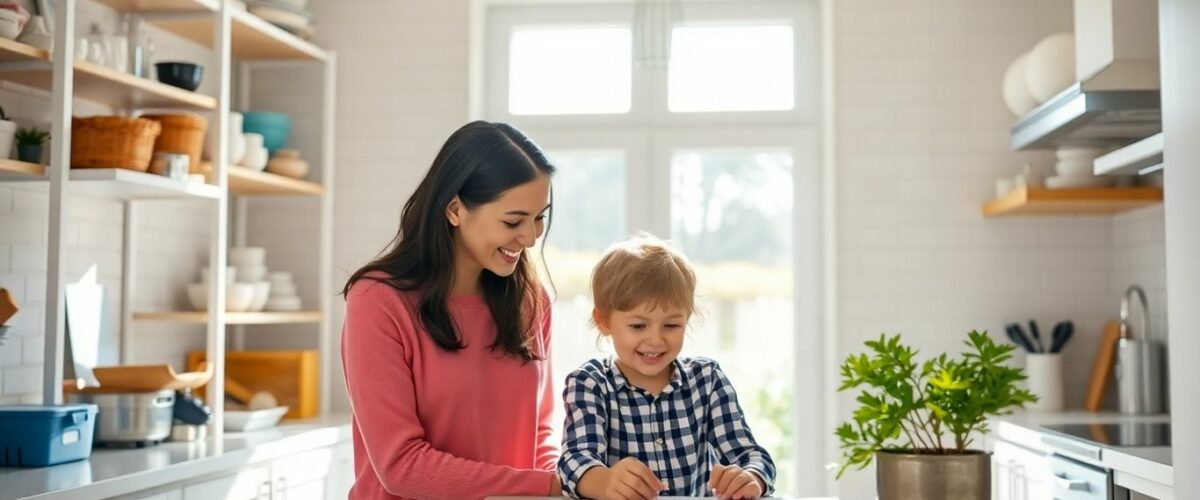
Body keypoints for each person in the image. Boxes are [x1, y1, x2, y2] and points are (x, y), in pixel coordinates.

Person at [341, 121, 560, 499]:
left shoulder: (531, 300)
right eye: (514, 221)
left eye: (539, 217)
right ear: (456, 209)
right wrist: (554, 486)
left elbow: (539, 434)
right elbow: (401, 466)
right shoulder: (378, 302)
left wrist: (566, 480)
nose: (530, 237)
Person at [558, 234, 776, 500]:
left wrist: (750, 477)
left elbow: (751, 455)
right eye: (638, 326)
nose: (655, 340)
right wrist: (604, 482)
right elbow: (574, 460)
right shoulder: (589, 383)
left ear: (688, 319)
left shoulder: (707, 380)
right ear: (603, 321)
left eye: (671, 325)